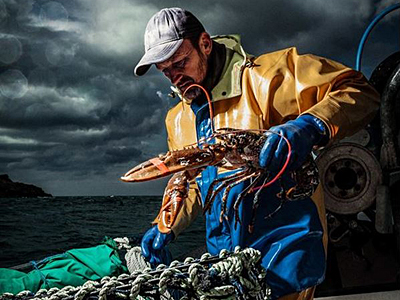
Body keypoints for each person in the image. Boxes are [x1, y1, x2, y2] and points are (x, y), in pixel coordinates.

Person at [133, 7, 380, 300]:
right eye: (166, 71)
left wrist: (310, 125)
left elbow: (360, 91)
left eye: (181, 62)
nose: (175, 77)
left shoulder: (271, 76)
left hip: (286, 249)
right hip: (226, 259)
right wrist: (166, 226)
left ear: (205, 44)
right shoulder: (177, 118)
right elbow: (188, 183)